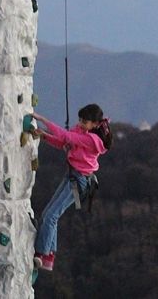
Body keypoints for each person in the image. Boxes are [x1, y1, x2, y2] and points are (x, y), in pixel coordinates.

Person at [31, 104, 113, 272]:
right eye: (81, 120)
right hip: (72, 176)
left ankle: (41, 253)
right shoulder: (83, 132)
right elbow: (64, 142)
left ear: (95, 124)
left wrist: (43, 120)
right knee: (48, 215)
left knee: (51, 217)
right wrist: (44, 136)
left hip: (79, 181)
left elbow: (66, 136)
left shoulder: (92, 140)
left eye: (85, 121)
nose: (81, 123)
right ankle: (48, 257)